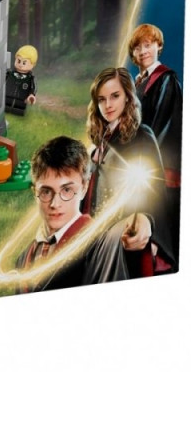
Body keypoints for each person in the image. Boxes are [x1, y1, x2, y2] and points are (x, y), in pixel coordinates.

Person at [84, 67, 176, 276]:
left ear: (127, 97)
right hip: (95, 235)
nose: (108, 105)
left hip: (126, 236)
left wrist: (147, 221)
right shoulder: (99, 141)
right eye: (101, 99)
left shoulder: (142, 136)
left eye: (115, 96)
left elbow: (155, 190)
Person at [16, 136, 126, 291]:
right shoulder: (23, 260)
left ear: (84, 188)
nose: (55, 204)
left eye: (67, 190)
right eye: (46, 191)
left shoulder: (100, 247)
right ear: (35, 192)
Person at [128, 24, 181, 256]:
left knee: (155, 218)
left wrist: (145, 158)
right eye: (137, 48)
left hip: (156, 162)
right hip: (136, 159)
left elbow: (163, 124)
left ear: (158, 46)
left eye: (148, 45)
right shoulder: (136, 83)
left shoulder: (166, 80)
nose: (143, 52)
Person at [5, 45, 38, 115]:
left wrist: (32, 95)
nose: (20, 65)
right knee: (5, 106)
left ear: (33, 65)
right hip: (7, 96)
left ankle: (19, 111)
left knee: (19, 109)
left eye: (24, 63)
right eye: (19, 61)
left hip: (22, 99)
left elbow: (33, 87)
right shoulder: (9, 73)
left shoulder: (31, 78)